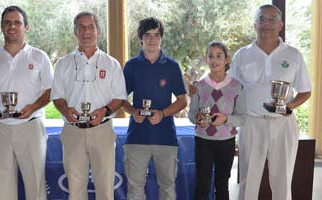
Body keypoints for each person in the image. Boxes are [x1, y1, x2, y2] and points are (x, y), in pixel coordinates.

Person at [228, 4, 312, 200]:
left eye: (272, 19)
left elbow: (305, 91)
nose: (267, 24)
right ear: (255, 24)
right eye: (262, 19)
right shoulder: (242, 55)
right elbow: (229, 88)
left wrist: (287, 107)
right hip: (251, 123)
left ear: (280, 25)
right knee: (248, 182)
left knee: (282, 182)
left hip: (283, 126)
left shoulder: (293, 55)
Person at [0, 5, 53, 200]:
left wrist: (33, 107)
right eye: (7, 23)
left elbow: (51, 91)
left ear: (26, 27)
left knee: (35, 184)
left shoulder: (39, 57)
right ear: (2, 27)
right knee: (1, 186)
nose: (12, 27)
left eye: (17, 22)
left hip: (31, 127)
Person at [50, 11, 127, 200]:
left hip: (102, 130)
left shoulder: (112, 64)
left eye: (91, 27)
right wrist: (65, 110)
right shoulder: (63, 64)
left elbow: (119, 98)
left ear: (98, 31)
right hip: (72, 131)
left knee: (105, 188)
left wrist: (105, 110)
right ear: (75, 32)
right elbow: (57, 97)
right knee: (75, 189)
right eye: (81, 27)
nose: (86, 31)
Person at [122, 17, 187, 200]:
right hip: (136, 137)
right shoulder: (131, 66)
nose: (152, 39)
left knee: (167, 188)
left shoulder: (172, 66)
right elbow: (119, 99)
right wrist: (134, 112)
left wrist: (163, 113)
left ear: (161, 38)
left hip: (165, 137)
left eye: (157, 35)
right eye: (147, 35)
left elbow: (182, 100)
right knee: (135, 189)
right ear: (140, 38)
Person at [188, 41, 243, 200]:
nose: (214, 60)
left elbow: (243, 118)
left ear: (227, 59)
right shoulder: (199, 85)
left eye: (219, 56)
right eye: (210, 56)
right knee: (202, 184)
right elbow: (192, 115)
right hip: (203, 140)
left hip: (226, 141)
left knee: (222, 184)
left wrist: (225, 119)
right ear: (206, 60)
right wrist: (198, 119)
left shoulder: (236, 86)